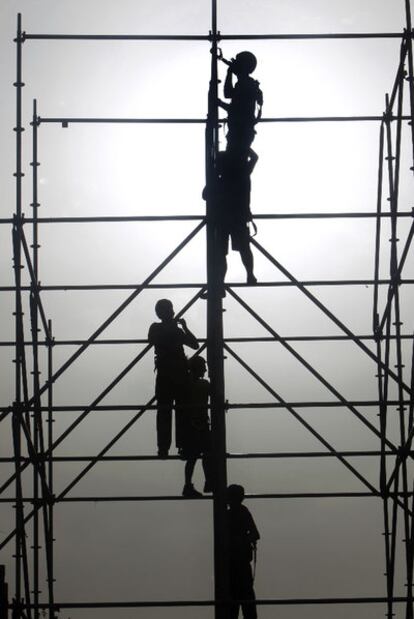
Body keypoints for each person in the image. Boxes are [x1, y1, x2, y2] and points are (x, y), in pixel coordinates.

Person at [148, 299, 199, 458]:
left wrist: (184, 327)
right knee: (165, 411)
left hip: (177, 375)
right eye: (169, 309)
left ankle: (180, 445)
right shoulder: (157, 327)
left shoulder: (175, 329)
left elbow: (194, 344)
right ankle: (164, 447)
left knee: (179, 411)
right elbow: (153, 340)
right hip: (168, 375)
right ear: (162, 312)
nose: (173, 311)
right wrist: (175, 328)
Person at [209, 149, 258, 291]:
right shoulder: (242, 174)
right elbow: (254, 157)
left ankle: (221, 284)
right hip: (237, 217)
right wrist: (241, 147)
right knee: (243, 249)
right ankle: (250, 275)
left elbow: (205, 195)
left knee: (221, 254)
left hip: (224, 219)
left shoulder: (220, 180)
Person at [218, 50, 263, 156]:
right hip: (242, 132)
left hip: (240, 133)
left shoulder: (245, 85)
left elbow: (229, 96)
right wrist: (222, 60)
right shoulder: (247, 83)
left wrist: (229, 72)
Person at [180, 356, 214, 498]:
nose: (205, 370)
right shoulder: (203, 385)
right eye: (203, 367)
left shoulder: (185, 384)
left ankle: (188, 485)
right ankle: (209, 481)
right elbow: (214, 391)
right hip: (200, 424)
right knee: (207, 453)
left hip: (189, 425)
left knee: (192, 458)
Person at [227, 484, 260, 619]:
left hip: (233, 565)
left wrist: (239, 540)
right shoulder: (241, 512)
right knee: (246, 603)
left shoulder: (231, 513)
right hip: (238, 565)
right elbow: (255, 534)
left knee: (234, 604)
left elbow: (255, 534)